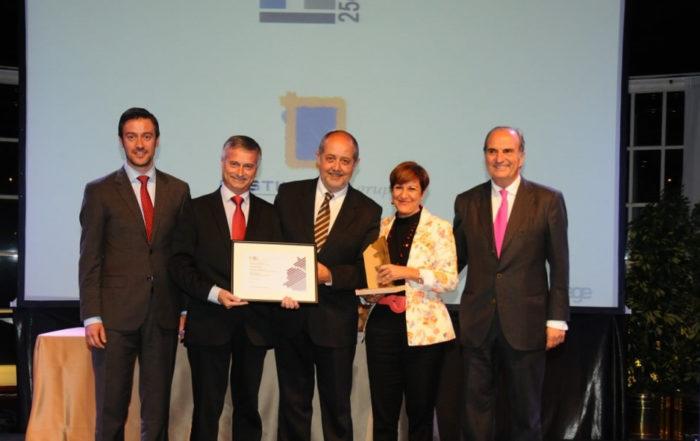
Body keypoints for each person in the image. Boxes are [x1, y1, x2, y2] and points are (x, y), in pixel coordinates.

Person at [79, 107, 191, 441]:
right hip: (114, 317)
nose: (139, 144)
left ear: (157, 141)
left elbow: (182, 256)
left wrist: (185, 308)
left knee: (157, 410)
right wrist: (91, 315)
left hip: (163, 313)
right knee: (111, 408)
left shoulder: (178, 190)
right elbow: (90, 257)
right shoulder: (99, 191)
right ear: (121, 141)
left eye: (146, 136)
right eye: (132, 137)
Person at [452, 126, 569, 441]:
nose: (499, 158)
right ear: (485, 156)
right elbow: (454, 260)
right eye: (492, 151)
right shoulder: (466, 201)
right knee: (474, 415)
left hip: (526, 323)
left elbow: (559, 264)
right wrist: (416, 275)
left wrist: (557, 319)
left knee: (525, 416)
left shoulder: (548, 200)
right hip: (478, 323)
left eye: (507, 151)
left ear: (521, 157)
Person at [168, 135, 283, 441]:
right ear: (222, 162)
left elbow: (279, 264)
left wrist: (287, 290)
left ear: (257, 168)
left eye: (249, 166)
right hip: (209, 321)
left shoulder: (271, 214)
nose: (240, 172)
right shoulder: (195, 209)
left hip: (255, 325)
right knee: (207, 409)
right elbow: (179, 263)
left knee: (248, 408)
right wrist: (213, 293)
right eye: (234, 164)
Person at [274, 130, 382, 441]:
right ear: (318, 158)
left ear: (356, 164)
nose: (336, 167)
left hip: (335, 324)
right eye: (330, 158)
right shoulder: (289, 194)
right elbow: (273, 248)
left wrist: (329, 275)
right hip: (290, 318)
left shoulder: (369, 210)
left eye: (345, 161)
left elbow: (366, 271)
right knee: (292, 408)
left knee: (337, 411)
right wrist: (279, 289)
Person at [362, 161, 458, 441]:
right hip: (382, 326)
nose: (404, 194)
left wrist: (408, 272)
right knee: (383, 414)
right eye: (398, 188)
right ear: (391, 192)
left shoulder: (439, 228)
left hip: (424, 332)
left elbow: (450, 280)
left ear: (422, 192)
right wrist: (371, 293)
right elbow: (372, 275)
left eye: (412, 188)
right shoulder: (380, 227)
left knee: (420, 413)